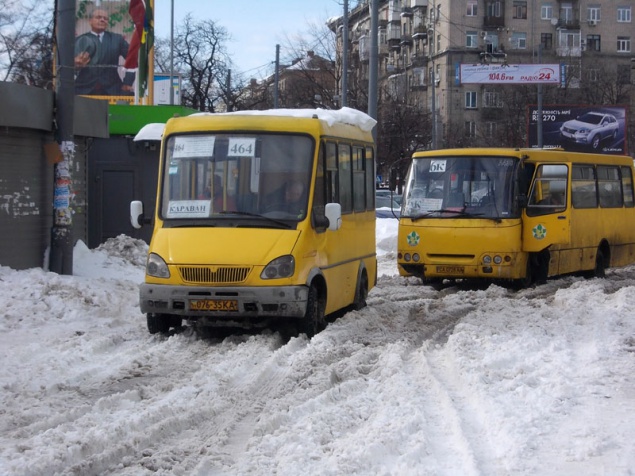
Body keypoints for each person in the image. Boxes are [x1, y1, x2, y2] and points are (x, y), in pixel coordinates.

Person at [74, 8, 135, 96]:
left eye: (105, 18)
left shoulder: (117, 39)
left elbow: (132, 59)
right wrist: (75, 65)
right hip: (84, 88)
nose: (102, 20)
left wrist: (128, 82)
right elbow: (67, 65)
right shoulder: (79, 40)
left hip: (113, 89)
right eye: (98, 17)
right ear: (90, 21)